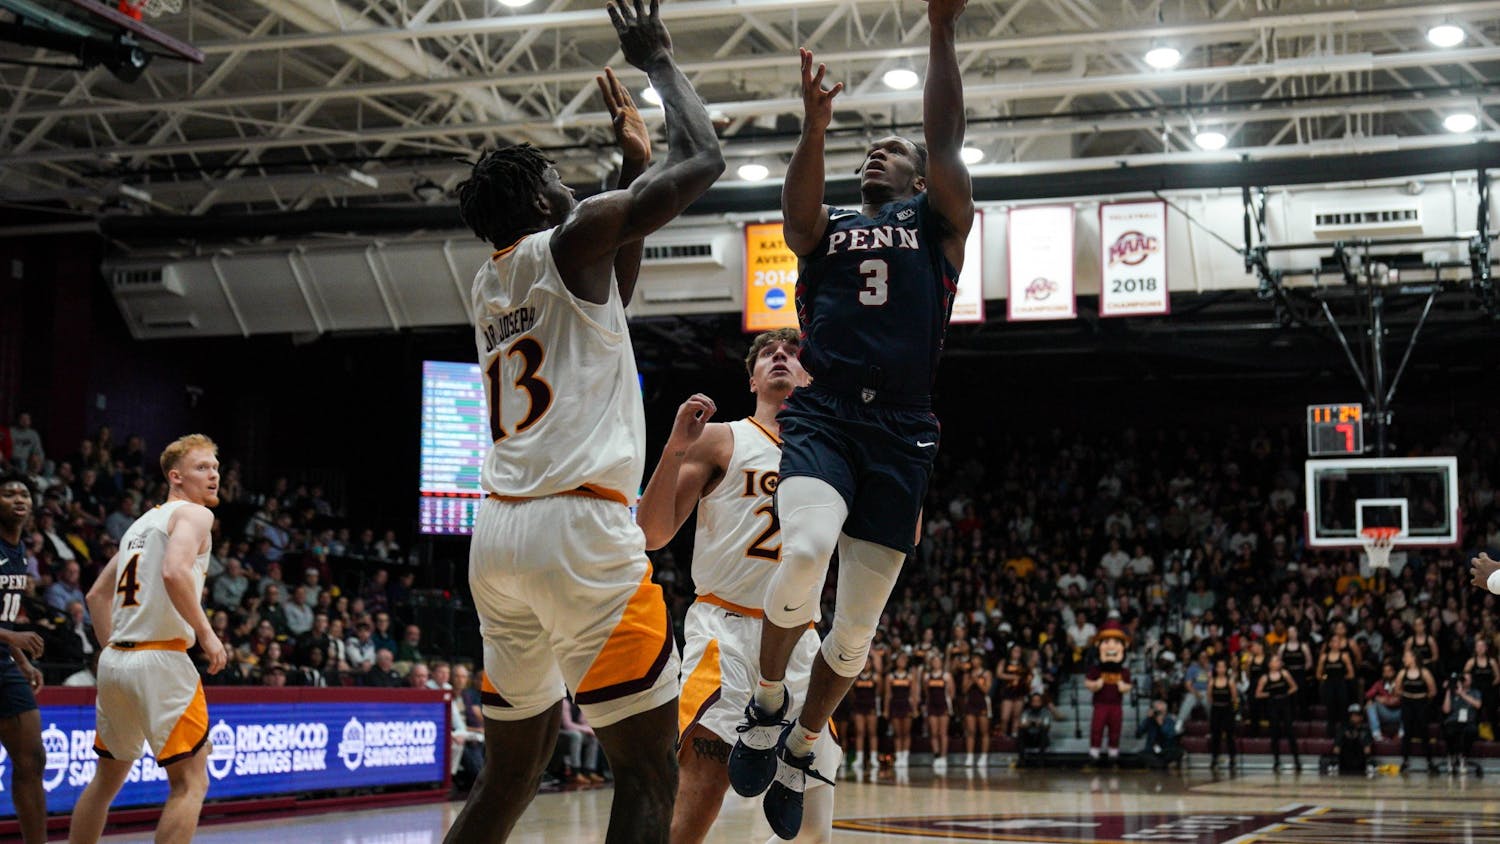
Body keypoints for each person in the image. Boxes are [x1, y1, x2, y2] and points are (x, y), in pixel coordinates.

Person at [444, 0, 724, 839]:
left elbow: (608, 306)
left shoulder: (489, 283)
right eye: (561, 183)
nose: (575, 190)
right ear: (542, 199)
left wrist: (629, 163)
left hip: (498, 537)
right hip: (578, 533)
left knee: (510, 775)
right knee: (649, 771)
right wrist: (659, 59)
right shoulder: (572, 236)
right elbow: (705, 158)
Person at [728, 1, 975, 831]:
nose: (879, 152)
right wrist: (814, 127)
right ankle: (767, 704)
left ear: (919, 177)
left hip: (902, 430)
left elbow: (946, 140)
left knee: (855, 630)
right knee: (803, 551)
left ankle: (803, 743)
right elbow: (795, 217)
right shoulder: (828, 228)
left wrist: (940, 30)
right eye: (872, 148)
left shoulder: (937, 224)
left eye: (894, 150)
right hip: (827, 415)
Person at [635, 329, 840, 843]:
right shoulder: (721, 439)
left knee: (812, 828)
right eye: (768, 353)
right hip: (725, 632)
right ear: (752, 379)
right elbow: (651, 534)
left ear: (810, 376)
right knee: (700, 793)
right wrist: (675, 447)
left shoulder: (833, 451)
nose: (780, 357)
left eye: (792, 353)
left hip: (799, 637)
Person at [69, 435, 229, 844]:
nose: (213, 475)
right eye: (202, 468)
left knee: (105, 782)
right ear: (175, 477)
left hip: (116, 662)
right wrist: (207, 634)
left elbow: (96, 595)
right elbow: (174, 572)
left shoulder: (140, 525)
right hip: (161, 659)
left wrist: (116, 650)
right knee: (191, 782)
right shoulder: (195, 514)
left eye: (215, 467)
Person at [0, 473, 47, 843]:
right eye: (8, 493)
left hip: (3, 661)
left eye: (25, 493)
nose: (19, 498)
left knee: (32, 758)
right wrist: (12, 637)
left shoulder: (19, 553)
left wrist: (21, 659)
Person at [1256, 654, 1301, 772]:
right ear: (1269, 664)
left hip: (1284, 704)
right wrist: (1270, 694)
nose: (1277, 663)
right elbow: (1258, 694)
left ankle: (1296, 760)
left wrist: (1286, 693)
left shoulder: (1284, 673)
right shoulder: (1265, 678)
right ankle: (1276, 760)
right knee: (1274, 733)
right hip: (1273, 705)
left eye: (1278, 661)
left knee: (1290, 732)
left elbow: (1294, 687)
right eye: (1274, 661)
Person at [1396, 648, 1437, 773]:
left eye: (1406, 656)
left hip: (1421, 704)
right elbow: (1397, 690)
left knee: (1424, 732)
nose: (1404, 659)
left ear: (1414, 658)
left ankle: (1429, 762)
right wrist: (1408, 695)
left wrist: (1421, 697)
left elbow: (1433, 691)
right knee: (1407, 732)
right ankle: (1405, 761)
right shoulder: (1402, 673)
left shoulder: (1424, 672)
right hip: (1407, 704)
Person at [1442, 672, 1482, 776]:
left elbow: (1478, 705)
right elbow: (1446, 710)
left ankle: (1463, 757)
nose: (1465, 681)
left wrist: (1462, 694)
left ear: (1471, 681)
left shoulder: (1475, 692)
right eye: (1463, 679)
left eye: (1467, 679)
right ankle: (1451, 756)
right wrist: (1448, 691)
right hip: (1454, 721)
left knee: (1471, 731)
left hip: (1468, 721)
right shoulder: (1452, 692)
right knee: (1449, 731)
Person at [884, 651, 917, 768]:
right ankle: (898, 756)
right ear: (895, 661)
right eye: (899, 659)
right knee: (897, 733)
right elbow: (888, 694)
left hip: (906, 705)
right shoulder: (890, 676)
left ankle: (905, 756)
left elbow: (913, 694)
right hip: (895, 705)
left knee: (906, 732)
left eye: (904, 660)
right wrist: (886, 710)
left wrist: (915, 709)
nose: (902, 662)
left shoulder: (910, 676)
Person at [1207, 656, 1239, 770]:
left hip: (1227, 709)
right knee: (1216, 736)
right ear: (1216, 669)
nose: (1221, 669)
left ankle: (1232, 758)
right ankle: (1214, 758)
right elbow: (1209, 697)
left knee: (1230, 735)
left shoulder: (1230, 681)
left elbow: (1234, 698)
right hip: (1216, 709)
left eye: (1223, 667)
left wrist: (1234, 710)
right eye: (1219, 667)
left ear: (1226, 668)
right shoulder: (1212, 681)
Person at [848, 660, 880, 771]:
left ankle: (874, 758)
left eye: (868, 662)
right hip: (859, 706)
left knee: (872, 732)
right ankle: (859, 758)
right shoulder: (856, 676)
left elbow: (879, 692)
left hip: (871, 707)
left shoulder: (875, 677)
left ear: (872, 664)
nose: (866, 664)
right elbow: (851, 692)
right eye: (865, 662)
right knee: (860, 732)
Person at [961, 659, 992, 768]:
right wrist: (971, 681)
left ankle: (984, 756)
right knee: (970, 731)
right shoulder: (967, 674)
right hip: (970, 703)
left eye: (977, 659)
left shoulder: (986, 673)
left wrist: (977, 681)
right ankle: (969, 756)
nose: (975, 661)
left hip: (982, 703)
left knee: (984, 731)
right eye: (973, 659)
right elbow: (964, 690)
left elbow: (987, 690)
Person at [1328, 704, 1374, 775]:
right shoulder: (1344, 727)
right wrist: (1347, 735)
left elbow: (1368, 744)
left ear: (1361, 717)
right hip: (1345, 759)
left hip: (1360, 759)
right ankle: (1334, 762)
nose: (1354, 717)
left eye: (1356, 715)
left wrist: (1358, 736)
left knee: (1364, 736)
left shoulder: (1365, 729)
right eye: (1352, 715)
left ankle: (1369, 763)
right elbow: (1337, 743)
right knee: (1340, 736)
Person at [1139, 699, 1183, 770]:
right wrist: (1147, 718)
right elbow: (1138, 733)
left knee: (1178, 752)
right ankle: (1162, 764)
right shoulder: (1150, 720)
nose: (1159, 714)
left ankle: (1159, 764)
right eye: (1157, 711)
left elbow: (1170, 736)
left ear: (1165, 711)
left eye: (1161, 712)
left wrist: (1161, 724)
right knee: (1141, 755)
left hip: (1166, 750)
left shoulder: (1170, 720)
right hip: (1152, 750)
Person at [1017, 692, 1052, 765]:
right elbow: (1021, 725)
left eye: (1038, 701)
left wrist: (1040, 724)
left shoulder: (1046, 712)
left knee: (1043, 731)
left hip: (1040, 738)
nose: (1036, 703)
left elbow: (1047, 726)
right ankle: (1022, 759)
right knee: (1021, 731)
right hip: (1029, 738)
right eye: (1034, 701)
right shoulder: (1026, 712)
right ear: (1031, 702)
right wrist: (1028, 724)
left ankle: (1041, 760)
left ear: (1041, 702)